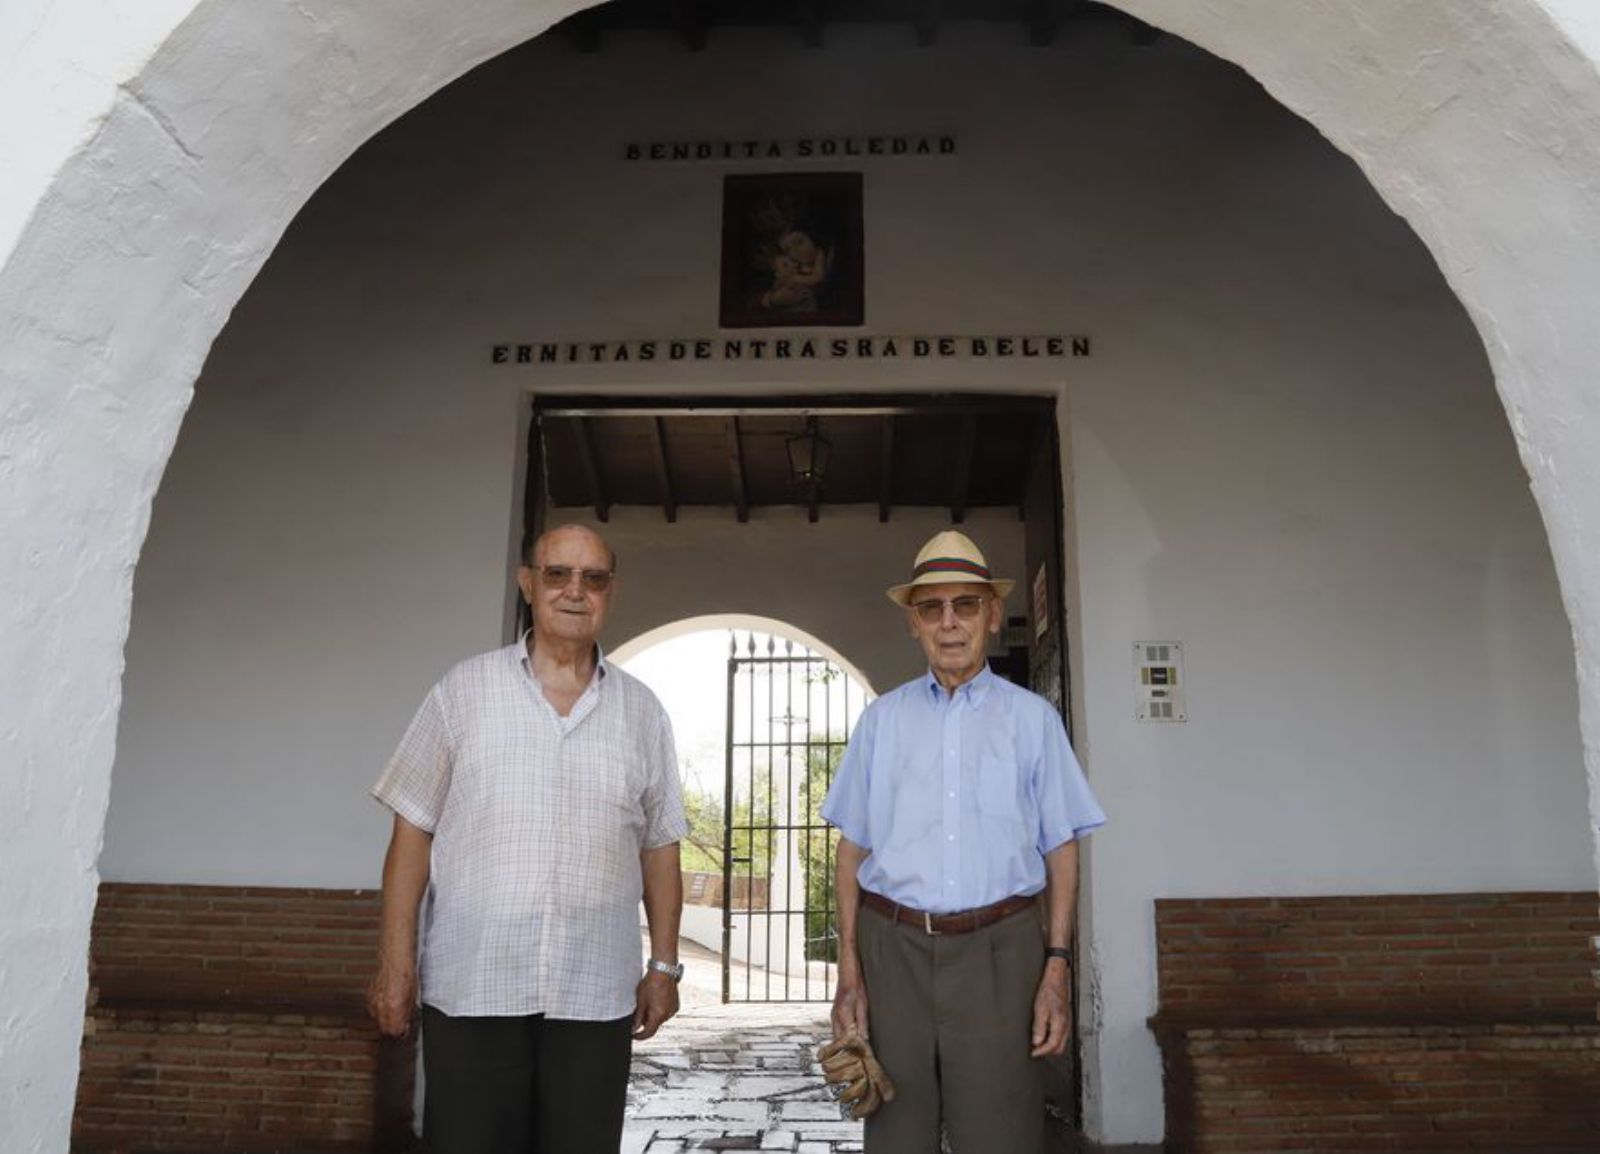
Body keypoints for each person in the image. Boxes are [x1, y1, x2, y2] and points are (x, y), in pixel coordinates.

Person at [366, 524, 688, 1154]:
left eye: (593, 578)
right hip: (473, 985)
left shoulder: (643, 713)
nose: (575, 591)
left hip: (593, 996)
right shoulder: (464, 691)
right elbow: (412, 830)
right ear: (527, 584)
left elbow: (662, 845)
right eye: (557, 574)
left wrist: (664, 967)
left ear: (610, 592)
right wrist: (395, 963)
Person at [821, 530, 1106, 1154]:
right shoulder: (881, 722)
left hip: (1001, 952)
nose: (950, 623)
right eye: (932, 608)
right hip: (891, 947)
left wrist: (1056, 965)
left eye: (966, 605)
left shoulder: (1033, 720)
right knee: (895, 1131)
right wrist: (850, 969)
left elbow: (1062, 847)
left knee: (1001, 1132)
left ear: (993, 615)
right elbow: (852, 851)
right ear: (913, 623)